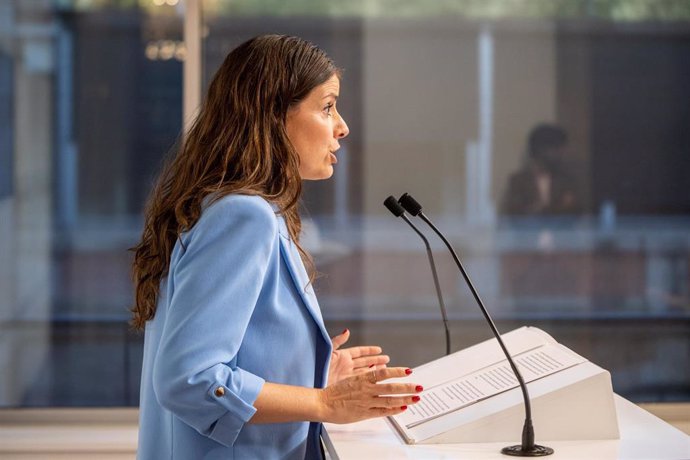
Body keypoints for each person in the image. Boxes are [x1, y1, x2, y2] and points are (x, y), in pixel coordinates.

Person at [130, 35, 421, 459]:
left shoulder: (232, 207)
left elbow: (236, 357)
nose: (342, 126)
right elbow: (188, 378)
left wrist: (315, 375)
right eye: (326, 107)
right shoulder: (243, 216)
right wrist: (326, 403)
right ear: (271, 116)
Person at [502, 123, 582, 216]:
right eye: (557, 149)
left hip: (560, 230)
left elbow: (575, 210)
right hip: (528, 230)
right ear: (541, 149)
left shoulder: (567, 180)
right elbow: (513, 213)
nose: (562, 154)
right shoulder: (518, 181)